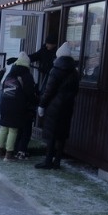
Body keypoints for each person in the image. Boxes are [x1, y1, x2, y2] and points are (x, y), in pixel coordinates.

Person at [35, 42, 81, 170]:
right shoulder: (74, 72)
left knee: (51, 134)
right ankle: (57, 161)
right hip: (68, 106)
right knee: (62, 134)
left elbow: (49, 90)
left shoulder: (55, 70)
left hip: (54, 107)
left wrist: (42, 105)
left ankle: (48, 161)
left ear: (58, 56)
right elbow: (76, 90)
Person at [0, 53, 37, 161]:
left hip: (4, 104)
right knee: (13, 130)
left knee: (3, 128)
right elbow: (29, 93)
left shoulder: (9, 74)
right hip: (16, 106)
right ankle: (9, 154)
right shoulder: (26, 75)